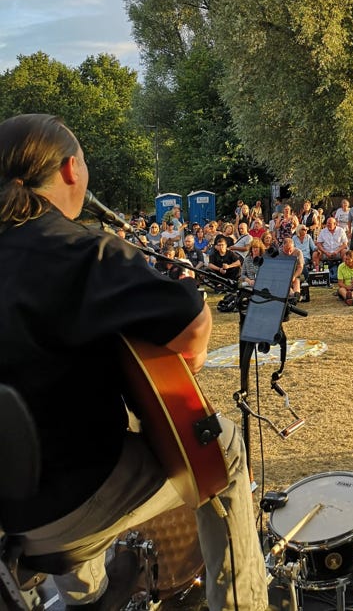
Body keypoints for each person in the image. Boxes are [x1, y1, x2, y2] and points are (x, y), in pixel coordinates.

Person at [0, 114, 267, 611]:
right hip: (70, 506)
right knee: (225, 451)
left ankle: (88, 598)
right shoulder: (81, 250)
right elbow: (191, 327)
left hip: (7, 511)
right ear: (71, 169)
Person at [316, 215, 348, 281]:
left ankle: (344, 273)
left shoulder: (341, 230)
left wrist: (337, 251)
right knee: (315, 254)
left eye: (330, 223)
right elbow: (318, 244)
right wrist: (325, 252)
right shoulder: (323, 231)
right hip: (325, 252)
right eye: (327, 223)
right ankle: (318, 275)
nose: (328, 225)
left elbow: (345, 244)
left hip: (338, 252)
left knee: (345, 252)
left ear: (335, 224)